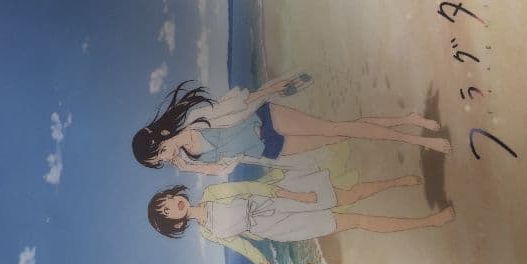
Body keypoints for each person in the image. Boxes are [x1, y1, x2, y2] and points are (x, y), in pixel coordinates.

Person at [147, 171, 454, 264]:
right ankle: (429, 222)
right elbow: (244, 247)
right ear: (174, 223)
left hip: (280, 200)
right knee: (355, 221)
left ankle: (397, 180)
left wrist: (297, 196)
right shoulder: (208, 233)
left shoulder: (212, 193)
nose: (173, 204)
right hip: (279, 228)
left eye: (168, 200)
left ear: (173, 194)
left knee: (351, 194)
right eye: (167, 211)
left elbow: (252, 187)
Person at [132, 77, 450, 177]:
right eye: (159, 161)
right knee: (337, 135)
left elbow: (237, 105)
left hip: (265, 120)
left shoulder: (196, 118)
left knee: (335, 129)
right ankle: (408, 120)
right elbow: (224, 168)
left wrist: (272, 89)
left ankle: (420, 139)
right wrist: (190, 167)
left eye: (159, 152)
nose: (165, 158)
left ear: (162, 135)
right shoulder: (193, 158)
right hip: (268, 149)